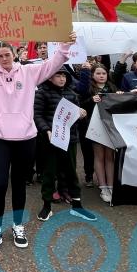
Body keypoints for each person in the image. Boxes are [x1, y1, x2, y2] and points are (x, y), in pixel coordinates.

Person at [0, 32, 75, 254]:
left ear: (15, 54)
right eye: (0, 56)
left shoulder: (29, 72)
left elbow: (53, 64)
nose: (4, 59)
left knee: (18, 184)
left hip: (26, 138)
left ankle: (17, 225)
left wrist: (64, 46)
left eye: (7, 55)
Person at [35, 67, 98, 225]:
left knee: (71, 171)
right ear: (50, 77)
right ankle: (46, 206)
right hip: (50, 140)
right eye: (58, 75)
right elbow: (36, 114)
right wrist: (46, 130)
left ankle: (77, 205)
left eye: (64, 75)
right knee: (49, 172)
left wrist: (80, 114)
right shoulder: (42, 93)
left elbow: (74, 116)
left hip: (70, 139)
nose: (62, 78)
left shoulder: (71, 93)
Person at [76, 62, 116, 203]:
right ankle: (103, 186)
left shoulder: (112, 87)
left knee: (110, 156)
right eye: (98, 73)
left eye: (104, 73)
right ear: (92, 75)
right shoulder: (88, 89)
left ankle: (111, 185)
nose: (101, 76)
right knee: (99, 156)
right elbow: (80, 104)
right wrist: (91, 100)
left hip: (109, 126)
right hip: (94, 127)